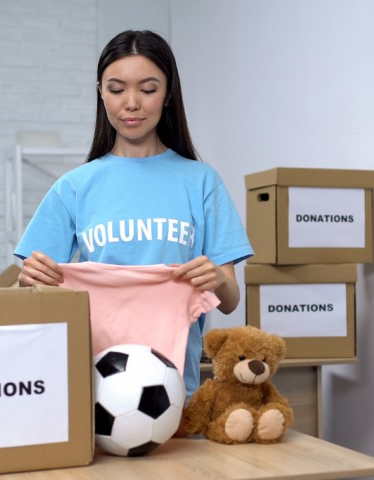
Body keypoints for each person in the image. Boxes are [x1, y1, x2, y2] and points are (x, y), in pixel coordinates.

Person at [14, 30, 253, 400]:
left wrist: (215, 279)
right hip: (91, 389)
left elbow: (231, 300)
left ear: (168, 93)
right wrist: (26, 281)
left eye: (147, 88)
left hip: (176, 390)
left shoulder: (201, 181)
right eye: (116, 89)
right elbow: (17, 298)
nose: (131, 103)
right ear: (100, 93)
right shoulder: (73, 187)